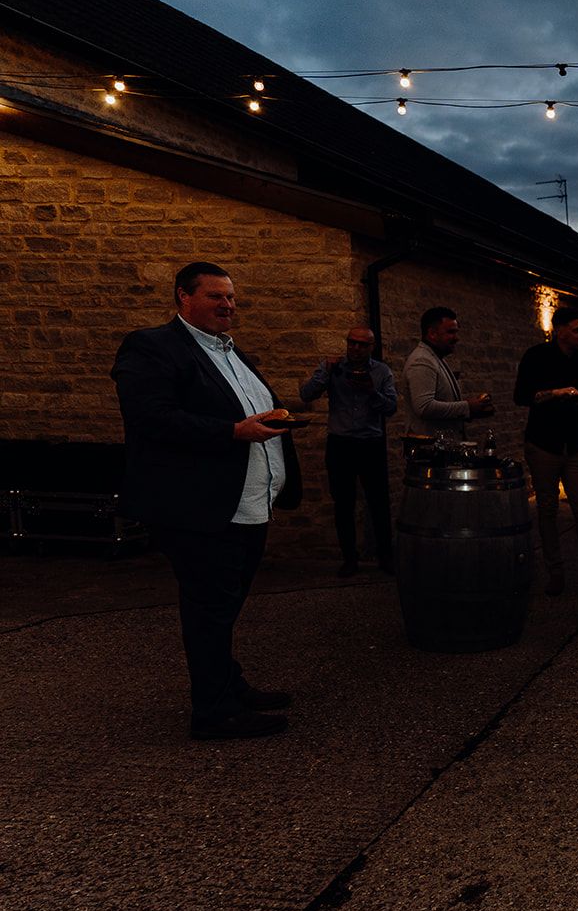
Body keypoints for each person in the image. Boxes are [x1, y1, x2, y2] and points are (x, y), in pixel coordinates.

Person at [111, 262, 302, 740]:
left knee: (224, 606)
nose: (228, 306)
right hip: (199, 508)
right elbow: (150, 417)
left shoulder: (236, 354)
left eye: (232, 298)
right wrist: (232, 430)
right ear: (183, 297)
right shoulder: (152, 346)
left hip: (250, 505)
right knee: (209, 606)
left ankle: (228, 686)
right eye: (216, 297)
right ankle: (214, 713)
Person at [514, 307, 578, 596]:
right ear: (560, 329)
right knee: (547, 509)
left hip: (575, 443)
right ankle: (556, 573)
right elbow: (521, 397)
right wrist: (556, 392)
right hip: (543, 443)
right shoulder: (536, 356)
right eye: (577, 329)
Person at [299, 327, 398, 577]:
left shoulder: (382, 372)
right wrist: (326, 373)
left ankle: (385, 556)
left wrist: (370, 391)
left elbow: (391, 408)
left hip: (370, 444)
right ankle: (349, 559)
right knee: (343, 503)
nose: (355, 348)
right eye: (351, 343)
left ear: (370, 347)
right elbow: (306, 394)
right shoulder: (333, 367)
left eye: (361, 345)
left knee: (378, 502)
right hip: (340, 444)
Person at [402, 306, 493, 455]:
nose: (456, 338)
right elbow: (424, 407)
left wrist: (473, 410)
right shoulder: (422, 361)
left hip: (438, 451)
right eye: (450, 332)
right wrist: (467, 407)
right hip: (430, 453)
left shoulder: (434, 357)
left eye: (456, 332)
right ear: (431, 333)